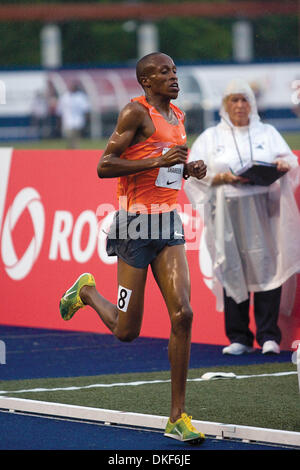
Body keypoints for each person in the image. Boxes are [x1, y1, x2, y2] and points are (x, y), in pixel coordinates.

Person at [59, 52, 207, 444]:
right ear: (146, 81)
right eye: (163, 72)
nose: (172, 76)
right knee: (127, 332)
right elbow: (104, 165)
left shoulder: (178, 116)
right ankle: (86, 291)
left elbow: (166, 166)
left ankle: (178, 416)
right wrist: (159, 159)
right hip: (134, 224)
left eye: (174, 70)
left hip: (169, 221)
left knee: (184, 314)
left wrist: (187, 168)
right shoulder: (134, 113)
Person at [185, 78, 300, 356]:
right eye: (234, 100)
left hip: (263, 211)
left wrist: (284, 164)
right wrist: (218, 177)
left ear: (253, 104)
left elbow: (291, 162)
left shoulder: (267, 132)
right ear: (225, 105)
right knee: (231, 267)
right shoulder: (211, 137)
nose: (240, 105)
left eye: (244, 100)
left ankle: (268, 335)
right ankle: (239, 336)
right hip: (226, 213)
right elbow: (192, 173)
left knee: (267, 269)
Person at [56, 81, 90, 148]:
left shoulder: (80, 97)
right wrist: (59, 121)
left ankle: (74, 150)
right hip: (67, 121)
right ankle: (71, 149)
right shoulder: (65, 97)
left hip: (78, 121)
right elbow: (60, 110)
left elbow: (86, 109)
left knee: (76, 138)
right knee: (69, 137)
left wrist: (86, 120)